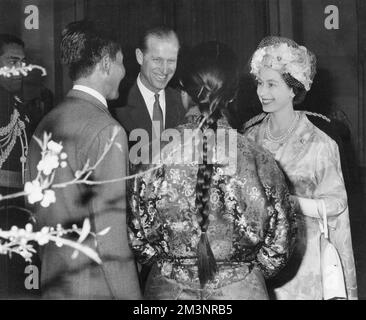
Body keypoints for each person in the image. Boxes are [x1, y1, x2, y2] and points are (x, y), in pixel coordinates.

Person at [127, 41, 297, 300]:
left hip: (169, 289)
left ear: (183, 90)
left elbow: (137, 237)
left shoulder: (150, 155)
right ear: (232, 95)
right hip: (240, 290)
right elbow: (280, 243)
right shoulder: (259, 158)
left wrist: (173, 267)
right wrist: (245, 272)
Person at [25, 20, 141, 299]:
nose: (125, 73)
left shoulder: (45, 124)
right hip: (97, 289)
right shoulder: (107, 130)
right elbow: (110, 240)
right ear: (105, 64)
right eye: (122, 62)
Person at [244, 36, 357, 300]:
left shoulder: (320, 141)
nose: (262, 91)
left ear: (293, 88)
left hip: (305, 267)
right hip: (261, 266)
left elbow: (337, 204)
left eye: (272, 84)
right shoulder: (249, 139)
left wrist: (290, 203)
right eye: (260, 82)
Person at [0, 33, 51, 298]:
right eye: (12, 60)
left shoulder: (23, 108)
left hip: (18, 212)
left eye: (23, 61)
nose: (21, 68)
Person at [114, 26, 185, 147]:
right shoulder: (116, 106)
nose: (164, 70)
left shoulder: (183, 104)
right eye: (157, 60)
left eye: (171, 61)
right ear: (140, 57)